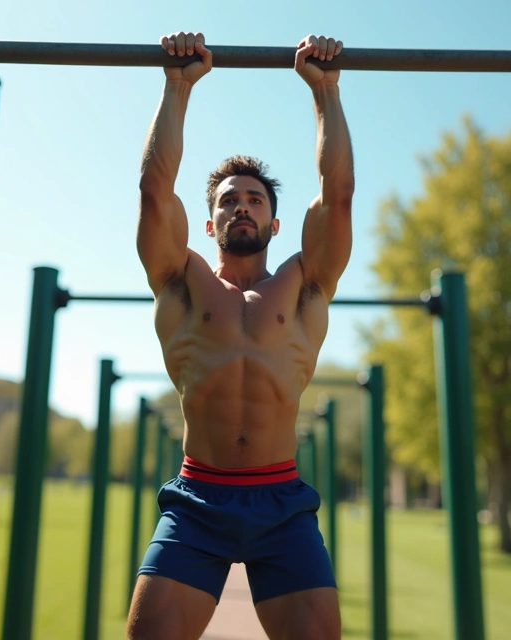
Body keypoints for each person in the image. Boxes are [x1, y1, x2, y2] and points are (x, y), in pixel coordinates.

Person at [128, 30, 354, 640]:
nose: (242, 207)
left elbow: (337, 197)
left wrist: (325, 91)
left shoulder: (305, 284)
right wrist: (177, 87)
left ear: (276, 223)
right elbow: (153, 193)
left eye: (255, 200)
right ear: (210, 221)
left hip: (281, 504)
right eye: (229, 201)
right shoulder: (181, 282)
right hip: (198, 499)